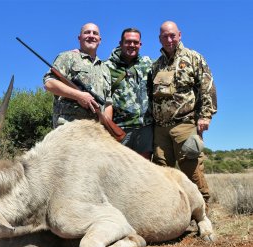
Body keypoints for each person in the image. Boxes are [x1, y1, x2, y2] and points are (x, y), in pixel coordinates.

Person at [150, 21, 217, 207]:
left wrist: (205, 115)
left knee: (192, 170)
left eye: (172, 35)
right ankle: (171, 214)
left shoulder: (194, 58)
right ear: (159, 39)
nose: (169, 39)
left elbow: (208, 87)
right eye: (165, 36)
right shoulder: (156, 66)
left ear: (179, 35)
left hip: (185, 125)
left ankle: (203, 215)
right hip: (160, 129)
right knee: (162, 173)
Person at [43, 23, 112, 128]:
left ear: (100, 40)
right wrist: (79, 95)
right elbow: (49, 83)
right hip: (69, 128)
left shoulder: (105, 69)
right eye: (87, 32)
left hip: (96, 132)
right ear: (79, 38)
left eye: (95, 33)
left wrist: (107, 127)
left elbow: (108, 103)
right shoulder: (67, 57)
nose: (91, 35)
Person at [104, 28, 154, 160]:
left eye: (135, 42)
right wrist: (77, 53)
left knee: (144, 170)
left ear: (140, 45)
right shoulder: (106, 66)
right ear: (121, 43)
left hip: (145, 127)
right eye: (128, 42)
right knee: (119, 170)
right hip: (120, 128)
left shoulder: (148, 64)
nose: (132, 45)